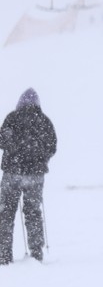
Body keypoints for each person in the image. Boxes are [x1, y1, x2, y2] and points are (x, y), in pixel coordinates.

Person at [0, 88, 57, 264]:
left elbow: (2, 142)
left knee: (5, 213)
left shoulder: (12, 118)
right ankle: (36, 252)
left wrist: (14, 150)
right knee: (33, 212)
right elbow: (52, 146)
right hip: (35, 176)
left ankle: (3, 253)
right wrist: (41, 159)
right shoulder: (44, 121)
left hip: (12, 173)